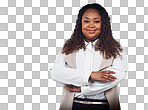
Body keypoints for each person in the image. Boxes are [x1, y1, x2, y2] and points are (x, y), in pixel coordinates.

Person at [51, 3, 128, 110]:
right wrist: (90, 75)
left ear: (103, 24)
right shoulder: (69, 47)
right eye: (86, 21)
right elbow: (56, 73)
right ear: (80, 24)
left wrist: (84, 89)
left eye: (96, 21)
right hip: (73, 105)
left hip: (104, 106)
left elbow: (116, 76)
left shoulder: (115, 47)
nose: (91, 25)